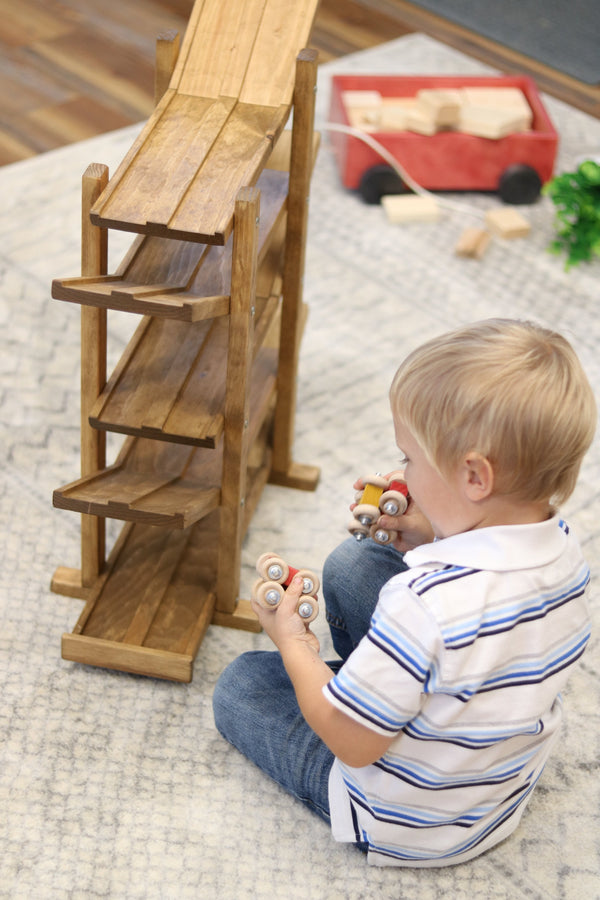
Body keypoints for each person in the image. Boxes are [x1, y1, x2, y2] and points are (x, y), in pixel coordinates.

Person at [212, 318, 597, 867]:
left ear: (474, 478)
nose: (404, 474)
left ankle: (366, 693)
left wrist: (292, 642)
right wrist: (433, 533)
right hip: (492, 790)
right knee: (355, 565)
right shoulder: (565, 553)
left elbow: (354, 745)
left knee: (241, 685)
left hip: (408, 820)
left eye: (412, 460)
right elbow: (487, 629)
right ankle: (377, 685)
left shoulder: (423, 601)